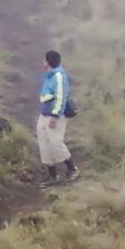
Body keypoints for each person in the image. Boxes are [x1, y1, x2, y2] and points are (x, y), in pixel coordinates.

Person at [37, 49, 79, 185]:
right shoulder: (49, 76)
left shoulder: (58, 77)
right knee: (44, 143)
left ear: (47, 62)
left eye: (44, 59)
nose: (42, 62)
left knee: (55, 142)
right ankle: (53, 176)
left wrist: (55, 115)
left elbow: (61, 97)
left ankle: (73, 169)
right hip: (44, 114)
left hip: (54, 116)